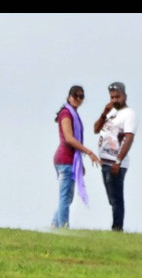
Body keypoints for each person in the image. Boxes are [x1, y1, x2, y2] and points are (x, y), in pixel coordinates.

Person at [51, 85, 99, 229]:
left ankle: (55, 224)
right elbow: (69, 139)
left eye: (81, 96)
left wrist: (80, 164)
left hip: (72, 160)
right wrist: (89, 152)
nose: (78, 99)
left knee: (68, 197)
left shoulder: (74, 114)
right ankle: (63, 225)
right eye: (76, 95)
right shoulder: (66, 114)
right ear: (69, 97)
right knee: (65, 196)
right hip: (64, 158)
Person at [93, 81, 139, 232]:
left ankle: (117, 227)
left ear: (124, 96)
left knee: (116, 198)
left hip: (116, 163)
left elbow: (129, 138)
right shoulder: (111, 112)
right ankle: (116, 225)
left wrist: (118, 161)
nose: (114, 100)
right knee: (111, 198)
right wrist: (103, 113)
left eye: (117, 97)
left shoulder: (129, 114)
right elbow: (96, 129)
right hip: (105, 162)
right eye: (112, 97)